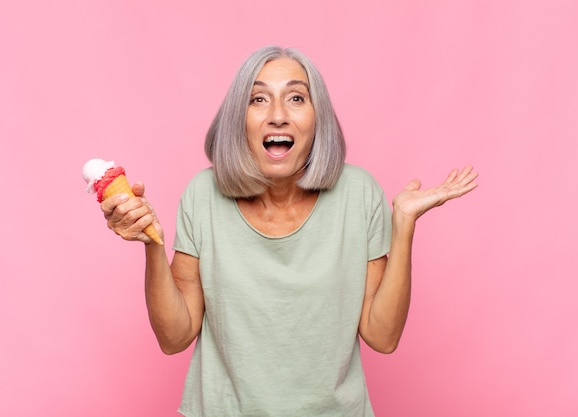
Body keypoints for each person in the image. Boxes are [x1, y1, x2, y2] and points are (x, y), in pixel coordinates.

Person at [101, 46, 478, 416]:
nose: (277, 116)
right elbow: (174, 338)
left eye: (296, 97)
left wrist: (403, 226)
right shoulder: (203, 195)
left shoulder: (359, 193)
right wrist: (152, 243)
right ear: (239, 118)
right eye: (258, 99)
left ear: (318, 119)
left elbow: (383, 337)